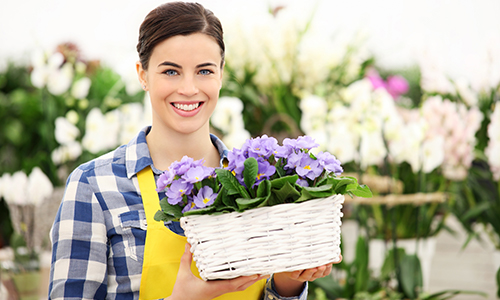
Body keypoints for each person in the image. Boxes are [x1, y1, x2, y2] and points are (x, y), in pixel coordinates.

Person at [48, 2, 341, 299]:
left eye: (204, 71)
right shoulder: (94, 185)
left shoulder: (260, 182)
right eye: (171, 72)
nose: (189, 88)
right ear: (143, 75)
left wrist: (288, 283)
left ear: (221, 74)